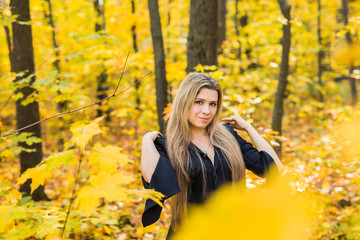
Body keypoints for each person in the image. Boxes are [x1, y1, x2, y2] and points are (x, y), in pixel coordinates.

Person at [141, 73, 284, 239]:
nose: (207, 111)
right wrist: (146, 140)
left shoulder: (228, 137)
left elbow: (274, 169)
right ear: (184, 102)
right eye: (199, 102)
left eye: (213, 104)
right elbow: (154, 178)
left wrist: (247, 127)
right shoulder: (168, 145)